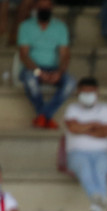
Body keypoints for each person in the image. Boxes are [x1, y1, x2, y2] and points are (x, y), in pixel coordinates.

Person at [17, 0, 75, 129]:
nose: (44, 9)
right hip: (32, 69)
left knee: (70, 83)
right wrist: (38, 72)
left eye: (47, 7)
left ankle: (43, 116)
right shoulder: (25, 26)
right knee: (30, 80)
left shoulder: (60, 27)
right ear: (35, 8)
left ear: (52, 8)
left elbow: (65, 54)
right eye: (41, 6)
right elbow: (24, 55)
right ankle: (46, 117)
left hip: (54, 68)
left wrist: (59, 72)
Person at [64, 77, 107, 211]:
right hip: (76, 154)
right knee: (85, 169)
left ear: (97, 92)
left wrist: (84, 128)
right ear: (78, 92)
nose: (87, 95)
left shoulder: (104, 109)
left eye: (90, 92)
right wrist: (94, 125)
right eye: (84, 92)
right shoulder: (72, 108)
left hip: (101, 153)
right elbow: (73, 128)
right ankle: (98, 199)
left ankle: (96, 204)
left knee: (100, 171)